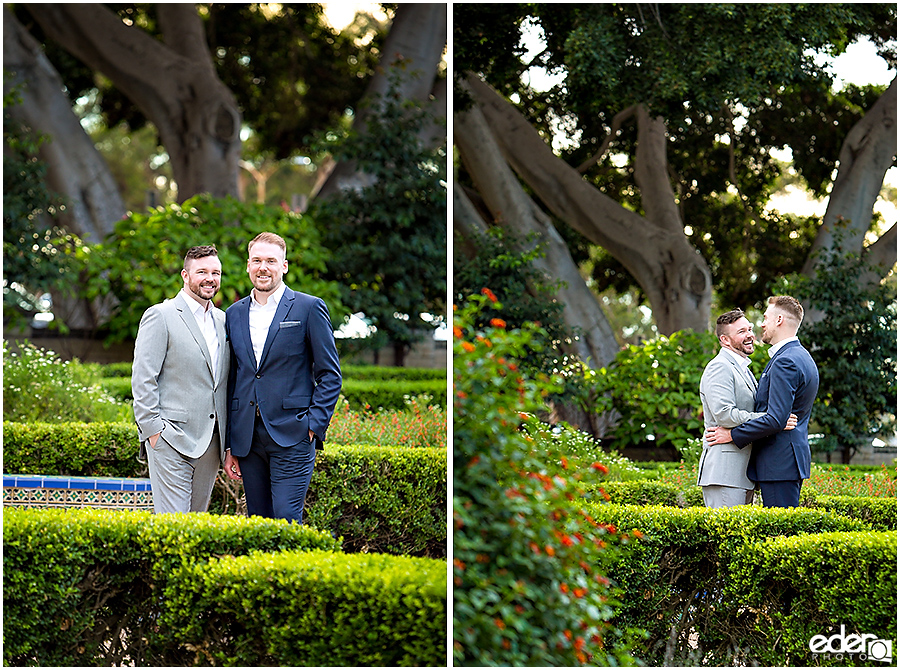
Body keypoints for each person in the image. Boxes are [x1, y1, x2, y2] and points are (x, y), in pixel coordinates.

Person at [224, 232, 342, 523]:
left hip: (294, 433)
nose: (263, 267)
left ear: (284, 266)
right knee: (258, 521)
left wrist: (314, 425)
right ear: (248, 266)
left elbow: (330, 374)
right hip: (247, 439)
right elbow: (232, 378)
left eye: (271, 261)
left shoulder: (308, 307)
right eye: (257, 261)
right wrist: (230, 442)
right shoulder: (232, 314)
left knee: (287, 519)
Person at [132, 245, 230, 514]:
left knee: (195, 524)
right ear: (185, 276)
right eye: (202, 272)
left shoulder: (224, 321)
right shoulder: (160, 315)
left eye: (215, 272)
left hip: (211, 444)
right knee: (174, 524)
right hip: (170, 439)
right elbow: (143, 378)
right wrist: (153, 431)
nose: (210, 278)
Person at [706, 296, 819, 508]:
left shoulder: (785, 361)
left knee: (780, 534)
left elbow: (776, 419)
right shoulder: (800, 356)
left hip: (779, 462)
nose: (761, 324)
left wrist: (731, 434)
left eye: (765, 318)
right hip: (784, 461)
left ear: (779, 320)